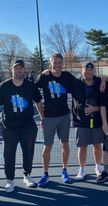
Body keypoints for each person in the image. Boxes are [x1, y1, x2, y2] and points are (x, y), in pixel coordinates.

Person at [0, 59, 44, 192]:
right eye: (16, 68)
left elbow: (38, 102)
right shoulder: (4, 86)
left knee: (28, 152)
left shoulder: (30, 86)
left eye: (21, 68)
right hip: (9, 126)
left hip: (27, 125)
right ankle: (10, 180)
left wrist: (43, 118)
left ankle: (27, 176)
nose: (19, 70)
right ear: (11, 70)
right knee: (9, 154)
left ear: (24, 70)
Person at [35, 53, 76, 187]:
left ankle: (64, 171)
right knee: (47, 147)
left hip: (64, 117)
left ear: (62, 63)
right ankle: (45, 174)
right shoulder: (45, 77)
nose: (57, 65)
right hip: (49, 118)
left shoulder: (67, 76)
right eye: (55, 62)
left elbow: (80, 85)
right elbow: (34, 90)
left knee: (65, 144)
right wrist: (42, 116)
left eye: (59, 62)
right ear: (50, 63)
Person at [72, 62, 104, 180]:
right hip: (81, 121)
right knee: (82, 146)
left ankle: (98, 167)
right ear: (81, 71)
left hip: (96, 120)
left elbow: (104, 102)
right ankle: (82, 169)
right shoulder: (75, 83)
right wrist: (46, 72)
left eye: (90, 70)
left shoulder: (100, 82)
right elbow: (60, 77)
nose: (88, 72)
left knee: (97, 145)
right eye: (86, 70)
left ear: (93, 71)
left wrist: (94, 109)